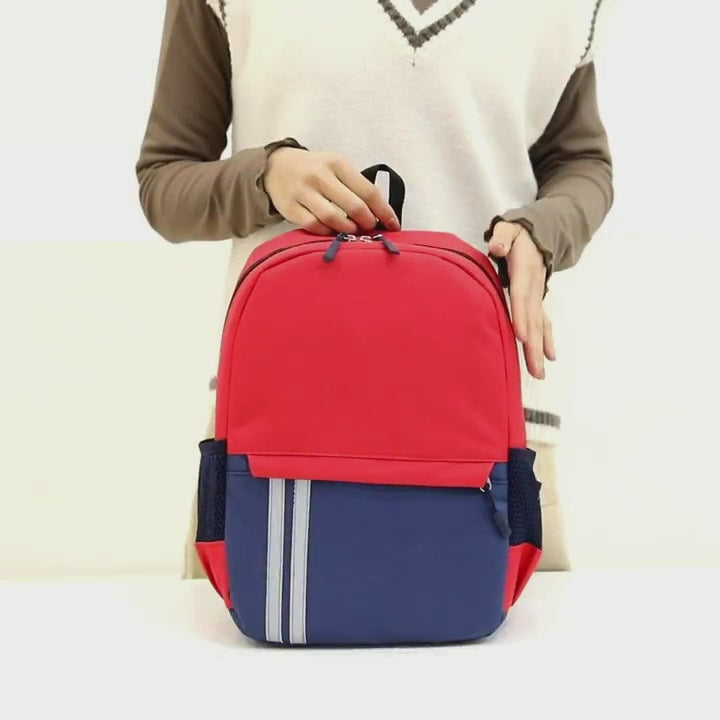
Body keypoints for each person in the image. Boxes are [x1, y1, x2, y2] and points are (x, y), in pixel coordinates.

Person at [136, 0, 614, 578]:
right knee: (245, 628)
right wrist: (266, 175)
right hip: (279, 427)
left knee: (517, 632)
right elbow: (164, 179)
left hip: (494, 428)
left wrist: (544, 232)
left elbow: (580, 160)